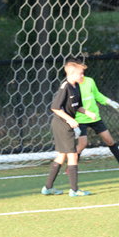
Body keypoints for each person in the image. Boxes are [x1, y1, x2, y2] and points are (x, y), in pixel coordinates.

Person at [41, 60, 96, 197]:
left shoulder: (76, 86)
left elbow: (77, 106)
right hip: (62, 124)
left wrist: (87, 112)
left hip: (65, 124)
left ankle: (47, 188)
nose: (83, 76)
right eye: (80, 74)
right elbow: (55, 108)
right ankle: (74, 190)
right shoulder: (65, 87)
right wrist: (70, 119)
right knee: (72, 155)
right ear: (71, 74)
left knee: (61, 155)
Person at [75, 68, 119, 170]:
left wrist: (110, 102)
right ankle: (72, 167)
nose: (82, 75)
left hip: (95, 117)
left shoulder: (90, 81)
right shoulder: (71, 86)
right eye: (79, 73)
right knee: (82, 144)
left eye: (82, 73)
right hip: (80, 119)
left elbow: (97, 95)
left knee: (109, 140)